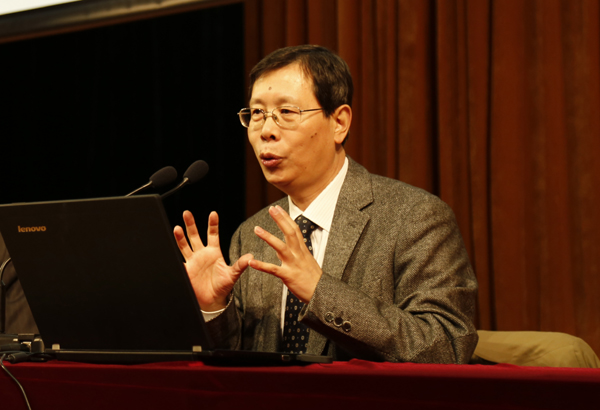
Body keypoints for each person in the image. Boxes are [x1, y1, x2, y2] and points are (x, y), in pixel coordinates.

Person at [173, 45, 478, 363]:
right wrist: (213, 308)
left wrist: (320, 291)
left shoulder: (414, 217)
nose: (266, 131)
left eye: (286, 112)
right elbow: (239, 362)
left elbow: (447, 345)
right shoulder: (252, 234)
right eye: (257, 114)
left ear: (339, 122)